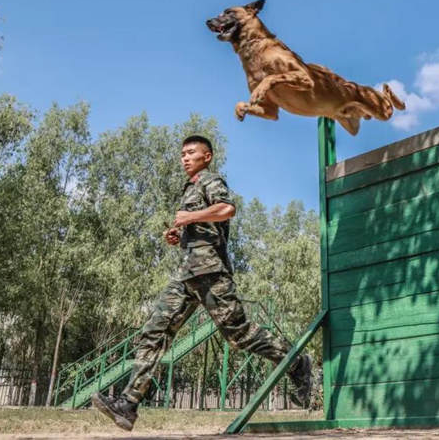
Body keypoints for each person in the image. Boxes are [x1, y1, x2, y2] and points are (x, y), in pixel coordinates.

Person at [92, 135, 312, 431]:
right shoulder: (190, 187)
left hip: (210, 273)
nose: (184, 158)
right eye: (182, 153)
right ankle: (128, 404)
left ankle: (298, 363)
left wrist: (190, 217)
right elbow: (203, 227)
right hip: (186, 275)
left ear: (206, 156)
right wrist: (179, 235)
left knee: (241, 335)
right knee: (154, 332)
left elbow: (226, 209)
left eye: (190, 153)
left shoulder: (211, 180)